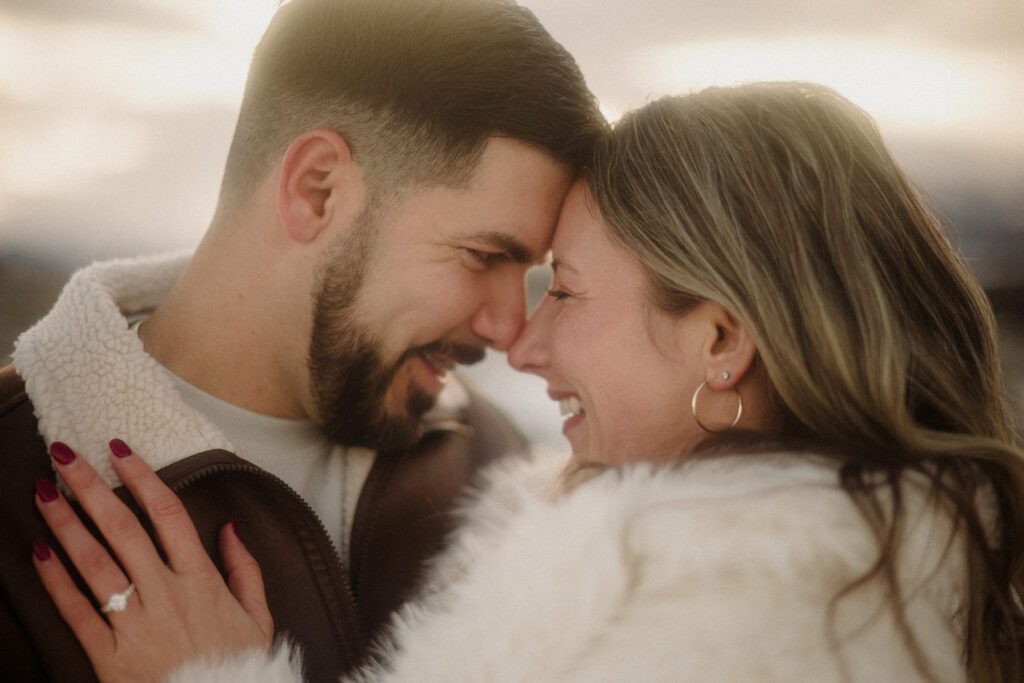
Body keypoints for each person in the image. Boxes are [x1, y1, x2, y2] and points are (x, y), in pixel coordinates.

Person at [31, 82, 1024, 681]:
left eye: (567, 290)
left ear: (721, 337)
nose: (522, 342)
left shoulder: (751, 621)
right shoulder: (879, 565)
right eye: (489, 260)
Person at [0, 0, 604, 679]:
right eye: (483, 255)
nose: (510, 329)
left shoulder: (496, 466)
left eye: (530, 275)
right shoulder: (9, 483)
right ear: (317, 189)